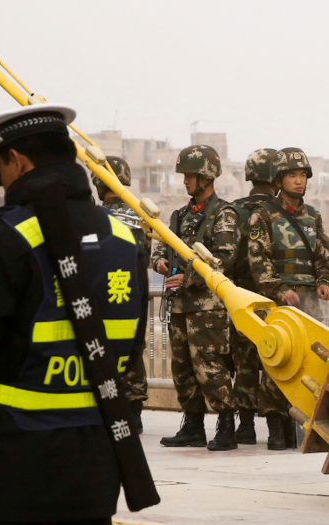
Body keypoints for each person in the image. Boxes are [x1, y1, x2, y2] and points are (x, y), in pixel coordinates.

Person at [0, 104, 150, 525]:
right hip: (95, 463)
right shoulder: (125, 239)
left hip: (12, 462)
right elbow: (131, 344)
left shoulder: (2, 235)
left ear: (15, 160)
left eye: (1, 171)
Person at [152, 145, 240, 451]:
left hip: (208, 309)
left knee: (211, 366)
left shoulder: (224, 214)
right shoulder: (178, 216)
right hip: (178, 306)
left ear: (207, 176)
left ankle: (226, 425)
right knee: (183, 368)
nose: (186, 181)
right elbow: (162, 249)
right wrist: (161, 263)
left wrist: (190, 279)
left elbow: (224, 257)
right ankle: (192, 425)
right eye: (185, 175)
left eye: (191, 175)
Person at [248, 147, 329, 450]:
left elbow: (324, 256)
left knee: (312, 360)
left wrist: (323, 281)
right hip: (280, 301)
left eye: (302, 175)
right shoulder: (264, 215)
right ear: (279, 179)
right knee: (278, 360)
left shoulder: (313, 217)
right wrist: (280, 290)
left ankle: (306, 422)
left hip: (310, 302)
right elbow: (258, 261)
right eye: (292, 175)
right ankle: (275, 426)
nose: (298, 181)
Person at [96, 156, 150, 433]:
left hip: (101, 292)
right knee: (133, 348)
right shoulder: (140, 214)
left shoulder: (97, 216)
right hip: (132, 290)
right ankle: (134, 412)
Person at [228, 149, 277, 445]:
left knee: (244, 361)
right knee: (276, 360)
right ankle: (279, 430)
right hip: (274, 298)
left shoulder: (233, 210)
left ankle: (245, 426)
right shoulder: (279, 210)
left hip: (241, 299)